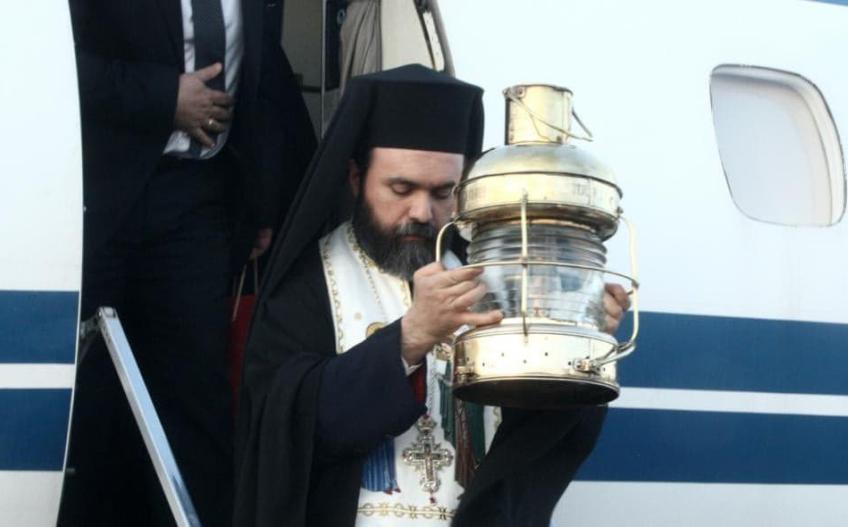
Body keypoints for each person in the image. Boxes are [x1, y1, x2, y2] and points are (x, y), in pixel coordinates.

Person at [233, 64, 631, 527]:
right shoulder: (306, 286)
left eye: (444, 193)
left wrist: (577, 345)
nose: (422, 212)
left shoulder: (495, 281)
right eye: (401, 188)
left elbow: (528, 451)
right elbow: (285, 436)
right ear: (356, 177)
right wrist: (408, 340)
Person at [60, 0, 315, 525]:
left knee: (197, 393)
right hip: (94, 204)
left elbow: (263, 79)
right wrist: (165, 97)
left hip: (198, 200)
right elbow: (53, 64)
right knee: (89, 393)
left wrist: (260, 203)